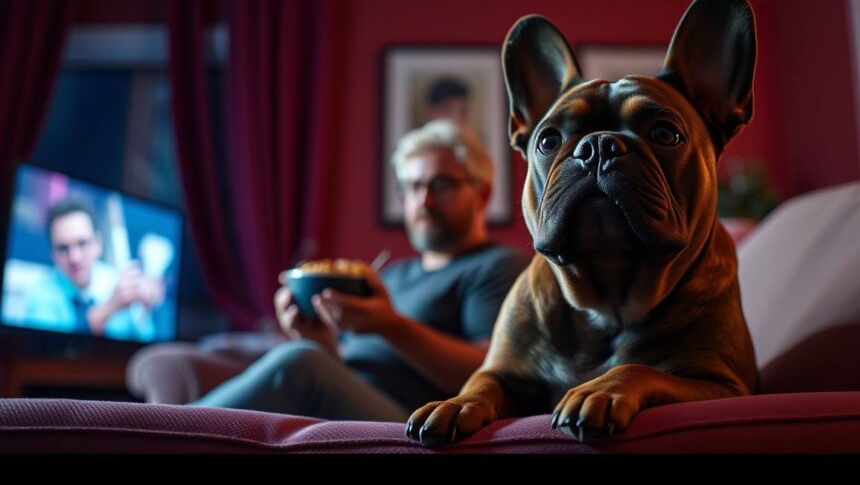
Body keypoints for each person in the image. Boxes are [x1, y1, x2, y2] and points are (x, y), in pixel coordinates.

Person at [190, 120, 529, 421]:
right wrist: (319, 340)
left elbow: (494, 373)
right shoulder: (392, 275)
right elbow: (346, 369)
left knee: (301, 363)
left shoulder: (498, 267)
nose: (423, 201)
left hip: (415, 422)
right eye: (412, 187)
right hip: (353, 406)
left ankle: (171, 431)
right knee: (306, 356)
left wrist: (391, 326)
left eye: (440, 185)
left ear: (482, 193)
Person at [21, 197, 162, 340]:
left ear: (97, 244)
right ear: (53, 255)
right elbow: (47, 348)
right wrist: (110, 307)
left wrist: (145, 309)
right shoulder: (40, 294)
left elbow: (144, 340)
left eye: (82, 243)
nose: (74, 258)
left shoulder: (116, 281)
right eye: (63, 248)